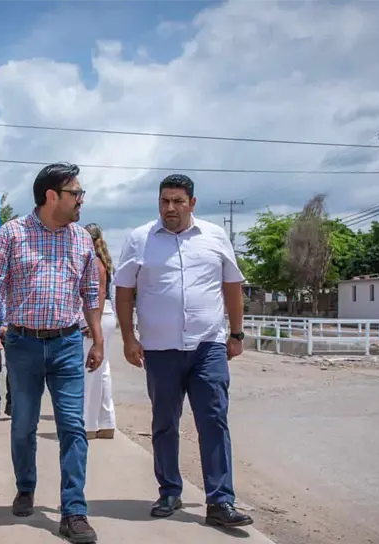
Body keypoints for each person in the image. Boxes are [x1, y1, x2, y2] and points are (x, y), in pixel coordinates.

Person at [114, 174, 253, 528]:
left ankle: (220, 500)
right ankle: (169, 492)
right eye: (165, 201)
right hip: (160, 350)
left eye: (178, 201)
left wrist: (236, 333)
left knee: (214, 420)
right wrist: (129, 338)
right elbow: (124, 291)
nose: (170, 208)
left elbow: (232, 286)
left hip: (208, 346)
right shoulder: (140, 239)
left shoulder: (215, 237)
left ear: (192, 203)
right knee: (164, 423)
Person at [0, 162, 104, 544]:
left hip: (67, 344)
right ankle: (26, 486)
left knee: (73, 427)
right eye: (75, 193)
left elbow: (91, 293)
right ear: (52, 196)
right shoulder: (12, 233)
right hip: (23, 344)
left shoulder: (82, 239)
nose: (81, 200)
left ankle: (74, 511)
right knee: (23, 425)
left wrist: (98, 339)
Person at [82, 223, 117, 439]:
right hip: (105, 315)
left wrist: (93, 322)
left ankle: (88, 424)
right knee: (102, 370)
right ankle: (106, 422)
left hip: (98, 315)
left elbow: (100, 293)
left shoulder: (94, 262)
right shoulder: (102, 260)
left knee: (90, 370)